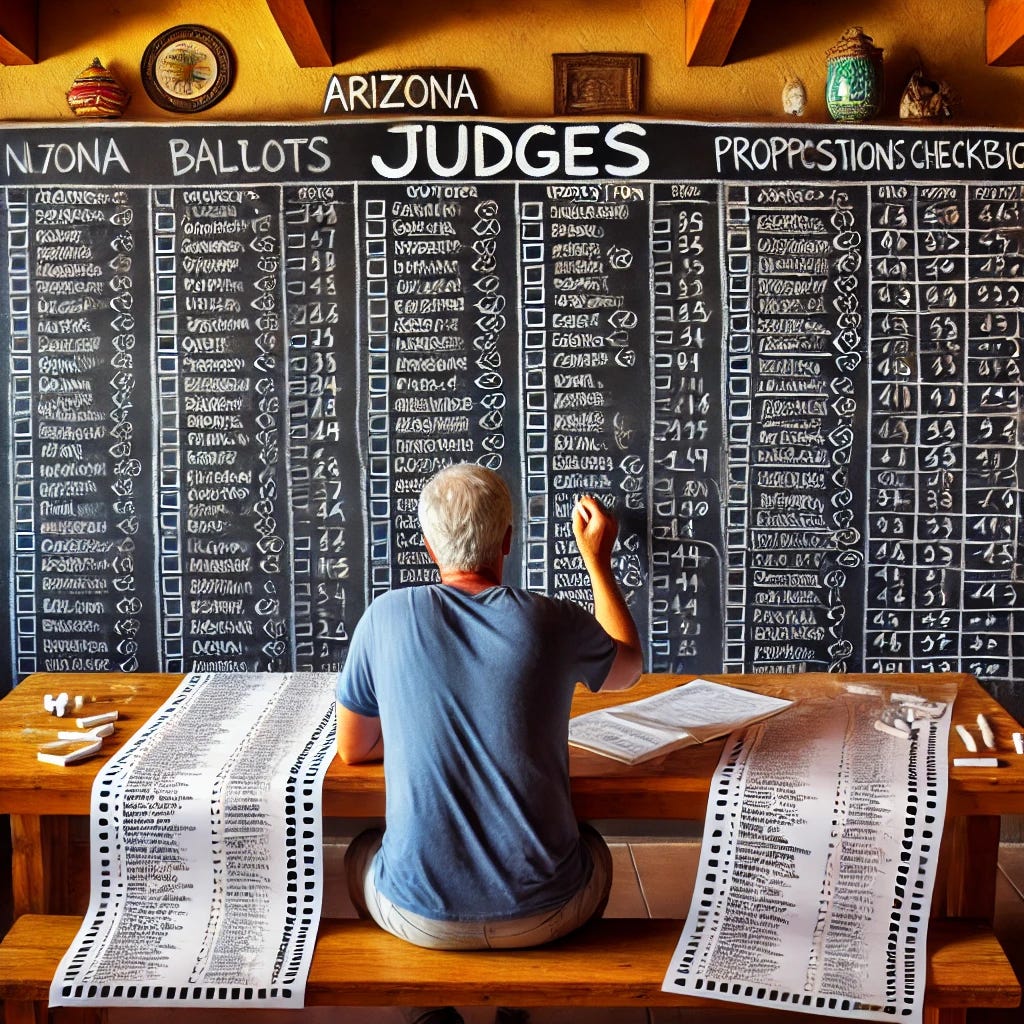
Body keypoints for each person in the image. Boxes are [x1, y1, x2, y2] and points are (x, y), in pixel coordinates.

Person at [336, 463, 642, 1022]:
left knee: (359, 853)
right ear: (507, 540)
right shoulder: (551, 619)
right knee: (593, 845)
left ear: (428, 546)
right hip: (545, 915)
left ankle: (428, 1014)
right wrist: (597, 561)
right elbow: (628, 667)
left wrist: (418, 734)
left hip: (420, 918)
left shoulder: (384, 617)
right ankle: (514, 1005)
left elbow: (353, 749)